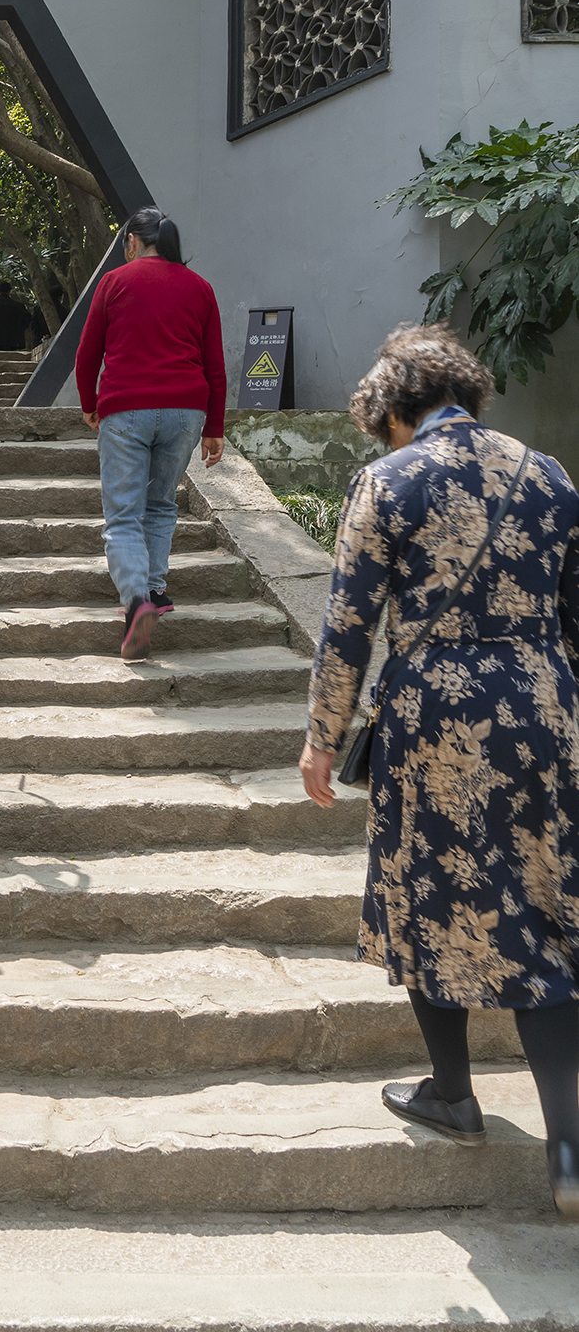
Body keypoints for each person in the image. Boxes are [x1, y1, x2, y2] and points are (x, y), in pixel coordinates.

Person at [300, 322, 579, 1218]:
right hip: (544, 706)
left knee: (429, 895)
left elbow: (348, 625)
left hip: (436, 716)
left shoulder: (389, 479)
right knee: (547, 908)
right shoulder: (547, 475)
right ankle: (570, 1148)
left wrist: (319, 736)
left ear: (391, 408)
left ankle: (452, 1095)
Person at [74, 207, 225, 659]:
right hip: (186, 412)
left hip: (126, 409)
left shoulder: (115, 282)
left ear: (133, 242)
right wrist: (214, 427)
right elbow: (214, 365)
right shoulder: (200, 287)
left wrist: (89, 404)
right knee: (160, 503)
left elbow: (87, 353)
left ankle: (137, 599)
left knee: (123, 514)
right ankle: (155, 591)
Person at [0, 279, 32, 351]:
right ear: (9, 292)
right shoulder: (18, 306)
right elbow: (28, 318)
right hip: (12, 340)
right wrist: (19, 329)